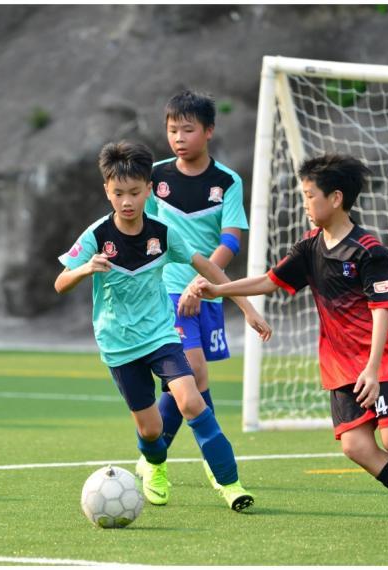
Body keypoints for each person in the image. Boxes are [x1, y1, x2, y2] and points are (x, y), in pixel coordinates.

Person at [191, 153, 388, 532]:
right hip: (339, 364)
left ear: (336, 198)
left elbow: (382, 312)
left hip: (381, 358)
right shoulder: (309, 247)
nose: (304, 203)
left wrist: (372, 369)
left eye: (310, 195)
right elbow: (270, 280)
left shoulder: (369, 250)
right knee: (356, 446)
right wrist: (219, 289)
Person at [55, 140, 271, 511]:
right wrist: (85, 269)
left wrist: (246, 307)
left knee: (192, 401)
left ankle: (231, 485)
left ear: (149, 190)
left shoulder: (163, 233)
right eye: (118, 193)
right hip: (119, 345)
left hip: (161, 336)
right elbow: (60, 282)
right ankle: (154, 465)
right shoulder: (97, 235)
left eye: (135, 192)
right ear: (106, 191)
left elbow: (209, 267)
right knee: (151, 429)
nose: (127, 201)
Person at [142, 89, 251, 494]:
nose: (178, 138)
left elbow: (231, 240)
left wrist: (204, 281)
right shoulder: (154, 177)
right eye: (172, 130)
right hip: (166, 290)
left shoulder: (227, 181)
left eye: (187, 129)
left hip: (208, 291)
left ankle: (151, 458)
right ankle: (215, 463)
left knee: (185, 383)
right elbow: (142, 232)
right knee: (194, 371)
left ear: (209, 131)